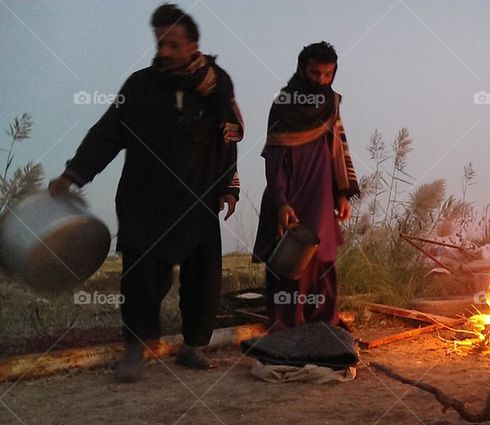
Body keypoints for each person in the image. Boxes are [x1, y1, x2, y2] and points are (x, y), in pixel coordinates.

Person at [48, 4, 243, 382]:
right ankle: (136, 348)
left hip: (198, 196)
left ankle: (195, 347)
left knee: (203, 276)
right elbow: (108, 132)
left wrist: (229, 189)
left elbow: (229, 138)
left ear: (193, 45)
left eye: (173, 44)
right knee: (140, 278)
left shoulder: (218, 86)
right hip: (144, 197)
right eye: (160, 43)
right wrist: (73, 175)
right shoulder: (140, 86)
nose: (165, 51)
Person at [252, 42, 359, 330]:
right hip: (291, 191)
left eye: (328, 74)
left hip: (322, 193)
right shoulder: (284, 103)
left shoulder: (331, 103)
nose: (322, 80)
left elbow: (337, 146)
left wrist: (342, 193)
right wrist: (281, 201)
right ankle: (286, 329)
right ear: (302, 69)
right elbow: (274, 157)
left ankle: (324, 325)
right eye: (315, 73)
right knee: (291, 260)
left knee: (323, 260)